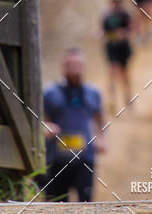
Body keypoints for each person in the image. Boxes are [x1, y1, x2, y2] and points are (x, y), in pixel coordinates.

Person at [42, 48, 106, 202]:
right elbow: (40, 120)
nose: (74, 68)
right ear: (63, 67)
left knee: (86, 205)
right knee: (55, 208)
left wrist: (102, 139)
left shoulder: (93, 93)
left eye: (78, 64)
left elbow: (101, 121)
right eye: (70, 64)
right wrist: (46, 127)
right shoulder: (50, 93)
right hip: (55, 161)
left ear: (84, 67)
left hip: (85, 159)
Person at [101, 0, 133, 113]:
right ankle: (112, 101)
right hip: (111, 47)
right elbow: (101, 30)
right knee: (112, 73)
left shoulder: (125, 15)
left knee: (124, 74)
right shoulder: (106, 15)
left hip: (123, 47)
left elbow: (131, 29)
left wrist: (123, 33)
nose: (114, 3)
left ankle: (127, 97)